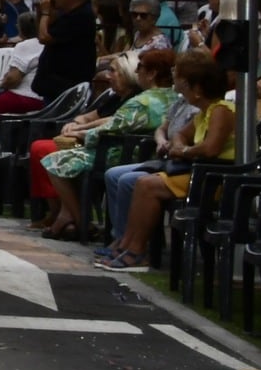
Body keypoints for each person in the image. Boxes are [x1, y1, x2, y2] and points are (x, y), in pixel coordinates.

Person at [95, 51, 239, 270]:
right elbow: (181, 134)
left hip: (213, 180)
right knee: (143, 184)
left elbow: (210, 148)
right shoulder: (204, 112)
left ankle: (136, 250)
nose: (177, 82)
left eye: (181, 80)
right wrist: (179, 144)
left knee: (146, 185)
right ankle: (127, 244)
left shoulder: (221, 111)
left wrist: (183, 151)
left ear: (197, 89)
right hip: (196, 173)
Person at [31, 49, 174, 240]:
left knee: (55, 162)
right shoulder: (174, 98)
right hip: (150, 154)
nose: (137, 71)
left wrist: (80, 133)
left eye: (140, 67)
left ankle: (81, 221)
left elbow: (109, 128)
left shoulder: (142, 102)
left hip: (123, 154)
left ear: (152, 73)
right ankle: (68, 216)